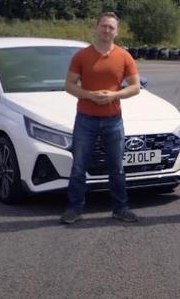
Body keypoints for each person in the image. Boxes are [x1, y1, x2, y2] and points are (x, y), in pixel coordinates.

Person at [60, 12, 141, 224]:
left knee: (117, 167)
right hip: (85, 119)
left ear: (117, 31)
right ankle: (74, 209)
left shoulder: (124, 56)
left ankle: (120, 208)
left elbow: (135, 87)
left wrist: (114, 95)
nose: (107, 30)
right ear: (96, 28)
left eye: (111, 27)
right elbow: (69, 85)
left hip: (113, 119)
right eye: (104, 26)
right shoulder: (82, 56)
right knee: (79, 166)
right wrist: (89, 95)